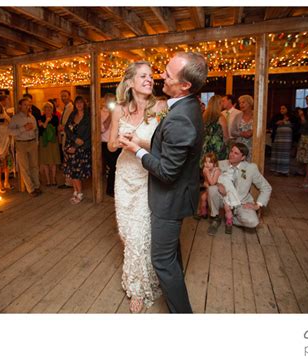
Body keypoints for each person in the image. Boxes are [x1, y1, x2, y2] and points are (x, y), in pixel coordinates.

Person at [120, 52, 208, 313]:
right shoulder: (185, 107)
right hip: (178, 195)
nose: (161, 76)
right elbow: (169, 148)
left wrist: (137, 150)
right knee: (171, 256)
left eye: (168, 74)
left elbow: (168, 172)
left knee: (161, 260)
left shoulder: (181, 117)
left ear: (185, 86)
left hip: (170, 200)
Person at [107, 61, 166, 313]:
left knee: (140, 233)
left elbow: (165, 147)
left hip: (147, 174)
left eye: (151, 76)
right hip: (125, 175)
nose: (150, 79)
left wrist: (139, 141)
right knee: (126, 232)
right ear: (130, 82)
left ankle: (137, 288)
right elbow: (109, 144)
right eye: (143, 76)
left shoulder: (161, 107)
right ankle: (142, 276)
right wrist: (121, 141)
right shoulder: (119, 110)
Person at [207, 142, 272, 236]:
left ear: (243, 157)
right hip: (224, 199)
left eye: (236, 153)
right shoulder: (220, 164)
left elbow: (266, 187)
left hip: (241, 203)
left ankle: (230, 218)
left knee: (253, 222)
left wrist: (257, 205)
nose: (231, 154)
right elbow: (207, 181)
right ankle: (215, 218)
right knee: (212, 189)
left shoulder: (251, 168)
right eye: (231, 151)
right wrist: (217, 184)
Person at [8, 98, 41, 197]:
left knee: (34, 166)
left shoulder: (32, 117)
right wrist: (23, 128)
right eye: (25, 105)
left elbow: (36, 130)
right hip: (21, 143)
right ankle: (31, 189)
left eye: (28, 105)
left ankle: (37, 186)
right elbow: (10, 132)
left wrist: (36, 141)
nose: (27, 107)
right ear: (20, 106)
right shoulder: (15, 118)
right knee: (24, 167)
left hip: (32, 143)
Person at [63, 96, 92, 204]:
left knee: (76, 173)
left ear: (84, 104)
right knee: (71, 171)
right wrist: (74, 139)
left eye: (81, 102)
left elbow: (88, 134)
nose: (79, 105)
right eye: (77, 103)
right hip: (70, 145)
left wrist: (76, 146)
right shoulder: (73, 114)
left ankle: (79, 194)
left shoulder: (88, 116)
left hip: (81, 148)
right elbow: (66, 128)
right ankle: (75, 191)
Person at [101, 93, 120, 197]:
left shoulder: (118, 111)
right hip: (105, 143)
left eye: (113, 101)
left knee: (118, 167)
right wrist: (111, 114)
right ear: (105, 101)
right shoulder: (100, 112)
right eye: (109, 101)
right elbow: (102, 128)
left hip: (117, 143)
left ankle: (116, 188)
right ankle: (110, 190)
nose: (111, 103)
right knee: (113, 167)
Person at [269, 104, 297, 176]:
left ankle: (285, 170)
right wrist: (277, 123)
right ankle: (277, 170)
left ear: (287, 109)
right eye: (281, 109)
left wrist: (289, 123)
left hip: (287, 139)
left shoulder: (292, 117)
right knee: (277, 154)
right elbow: (270, 124)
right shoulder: (277, 116)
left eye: (283, 108)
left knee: (286, 154)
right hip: (278, 138)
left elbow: (297, 126)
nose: (281, 110)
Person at [38, 102, 61, 186]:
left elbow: (56, 129)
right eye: (46, 108)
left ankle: (54, 179)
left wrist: (45, 124)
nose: (48, 110)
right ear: (43, 109)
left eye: (49, 108)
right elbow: (42, 128)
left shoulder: (55, 118)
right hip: (44, 141)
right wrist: (47, 121)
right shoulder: (40, 117)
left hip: (53, 141)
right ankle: (48, 180)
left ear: (52, 109)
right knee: (45, 161)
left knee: (53, 161)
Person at [200, 95, 227, 166]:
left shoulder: (204, 117)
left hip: (206, 147)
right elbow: (226, 136)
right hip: (217, 148)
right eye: (222, 102)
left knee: (207, 168)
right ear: (219, 104)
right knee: (218, 170)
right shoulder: (221, 118)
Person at [58, 90, 74, 189]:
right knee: (66, 159)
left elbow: (70, 123)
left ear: (69, 96)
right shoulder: (66, 107)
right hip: (65, 135)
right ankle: (68, 181)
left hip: (69, 137)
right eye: (62, 96)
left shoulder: (71, 108)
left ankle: (70, 182)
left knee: (68, 159)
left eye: (65, 96)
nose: (63, 98)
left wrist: (63, 127)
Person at [230, 95, 254, 161]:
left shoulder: (257, 115)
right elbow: (232, 132)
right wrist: (241, 134)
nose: (241, 105)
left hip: (253, 147)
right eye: (240, 103)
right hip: (240, 147)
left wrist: (252, 132)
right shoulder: (238, 116)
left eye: (243, 102)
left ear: (250, 103)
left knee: (251, 167)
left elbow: (261, 130)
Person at [198, 152, 221, 219]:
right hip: (209, 188)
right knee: (203, 197)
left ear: (215, 164)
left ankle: (211, 211)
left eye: (210, 162)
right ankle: (204, 212)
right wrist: (205, 183)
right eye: (205, 162)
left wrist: (207, 173)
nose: (207, 164)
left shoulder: (217, 171)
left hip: (217, 190)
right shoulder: (206, 170)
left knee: (205, 197)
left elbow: (213, 183)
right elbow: (206, 181)